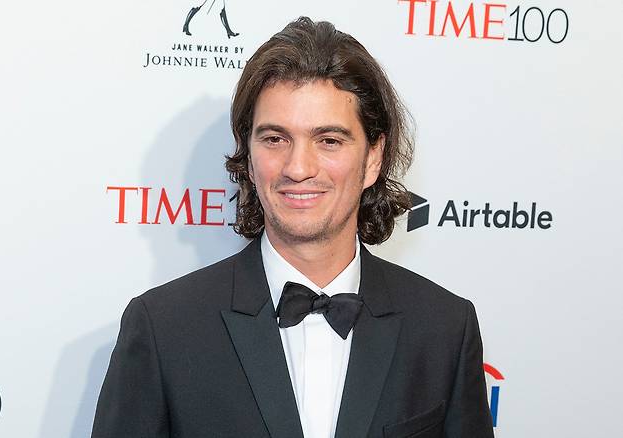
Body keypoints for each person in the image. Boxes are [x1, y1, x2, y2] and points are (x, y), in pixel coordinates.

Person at [91, 17, 494, 438]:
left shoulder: (444, 328)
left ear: (374, 158)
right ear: (248, 156)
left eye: (329, 140)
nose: (298, 168)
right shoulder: (163, 329)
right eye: (275, 139)